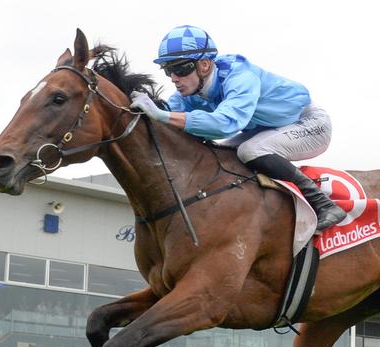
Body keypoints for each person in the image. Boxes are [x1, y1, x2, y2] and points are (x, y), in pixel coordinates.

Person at [131, 25, 346, 231]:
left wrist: (162, 115)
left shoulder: (240, 76)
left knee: (250, 151)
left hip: (310, 123)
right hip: (265, 129)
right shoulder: (189, 92)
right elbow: (168, 115)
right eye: (168, 70)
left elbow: (227, 123)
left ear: (204, 65)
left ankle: (324, 204)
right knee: (218, 152)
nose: (174, 78)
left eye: (180, 68)